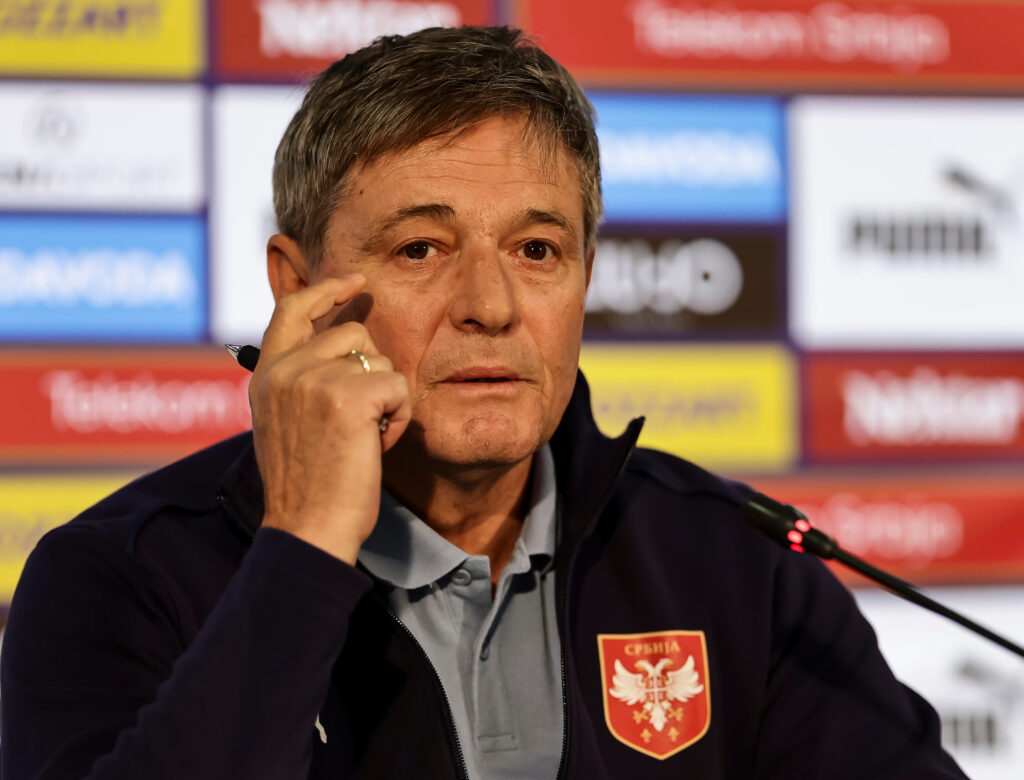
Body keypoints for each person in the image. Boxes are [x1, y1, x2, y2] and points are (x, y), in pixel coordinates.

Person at [1, 25, 965, 780]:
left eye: (536, 250)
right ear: (297, 288)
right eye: (421, 247)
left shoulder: (737, 563)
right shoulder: (115, 577)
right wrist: (299, 551)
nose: (491, 307)